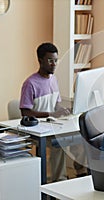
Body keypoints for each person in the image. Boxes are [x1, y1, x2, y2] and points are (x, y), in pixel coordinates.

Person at [19, 42, 70, 182]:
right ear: (40, 60)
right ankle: (59, 182)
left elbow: (56, 104)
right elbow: (25, 112)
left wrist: (62, 110)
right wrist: (50, 114)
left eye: (55, 60)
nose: (54, 64)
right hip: (37, 130)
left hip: (52, 125)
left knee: (81, 137)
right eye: (50, 60)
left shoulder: (54, 80)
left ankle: (82, 175)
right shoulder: (30, 84)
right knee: (59, 143)